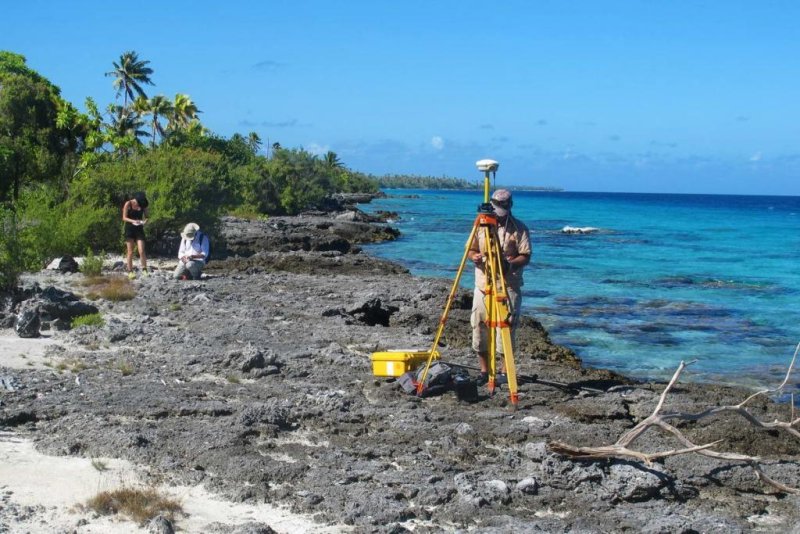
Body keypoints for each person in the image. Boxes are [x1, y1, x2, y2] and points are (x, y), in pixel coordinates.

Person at [468, 189, 531, 385]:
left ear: (510, 206)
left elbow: (526, 255)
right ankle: (484, 371)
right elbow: (471, 249)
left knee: (506, 329)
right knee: (479, 326)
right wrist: (474, 257)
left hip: (508, 285)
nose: (499, 215)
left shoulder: (519, 228)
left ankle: (505, 372)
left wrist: (510, 264)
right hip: (483, 284)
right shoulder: (481, 226)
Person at [122, 191, 149, 279]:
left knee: (141, 250)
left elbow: (147, 216)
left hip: (139, 229)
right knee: (130, 251)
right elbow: (124, 217)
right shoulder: (128, 204)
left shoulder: (143, 205)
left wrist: (145, 221)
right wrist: (133, 221)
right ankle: (130, 271)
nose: (139, 205)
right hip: (130, 229)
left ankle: (144, 269)